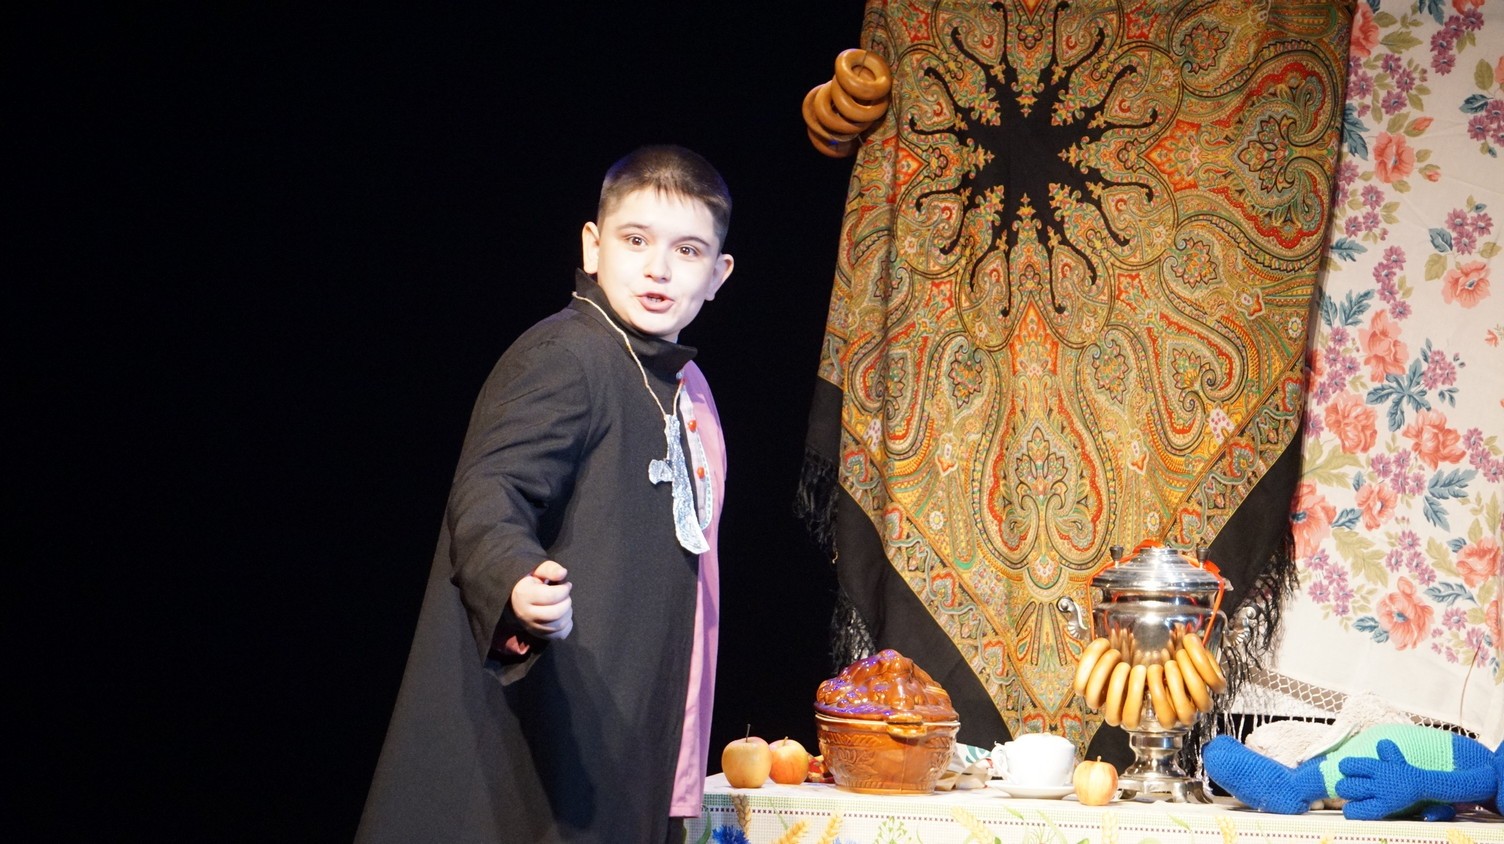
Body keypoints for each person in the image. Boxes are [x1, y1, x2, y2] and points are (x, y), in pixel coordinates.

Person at [356, 145, 735, 843]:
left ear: (718, 275)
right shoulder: (568, 355)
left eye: (687, 250)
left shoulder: (686, 386)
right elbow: (491, 488)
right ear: (593, 246)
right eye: (635, 240)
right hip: (563, 728)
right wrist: (514, 577)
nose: (658, 268)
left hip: (635, 721)